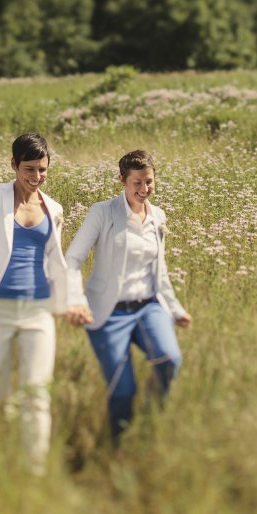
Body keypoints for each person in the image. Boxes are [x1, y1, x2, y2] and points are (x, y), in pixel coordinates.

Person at [0, 132, 91, 471]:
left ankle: (33, 472)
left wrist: (74, 301)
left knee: (37, 394)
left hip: (39, 311)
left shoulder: (54, 209)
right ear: (13, 165)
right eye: (29, 169)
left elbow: (61, 263)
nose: (36, 177)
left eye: (42, 170)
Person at [65, 149, 191, 443]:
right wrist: (76, 301)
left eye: (149, 182)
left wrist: (175, 309)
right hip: (109, 312)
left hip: (148, 307)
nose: (144, 189)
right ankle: (116, 446)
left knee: (169, 359)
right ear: (122, 181)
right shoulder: (103, 212)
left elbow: (159, 271)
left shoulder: (158, 216)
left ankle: (149, 428)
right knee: (123, 391)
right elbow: (72, 260)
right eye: (137, 183)